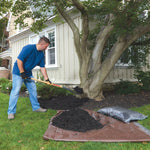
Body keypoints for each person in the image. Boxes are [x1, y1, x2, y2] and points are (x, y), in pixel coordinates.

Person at [8, 36, 51, 120]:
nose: (46, 48)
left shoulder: (41, 54)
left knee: (33, 89)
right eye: (46, 46)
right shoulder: (28, 48)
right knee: (16, 91)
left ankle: (36, 107)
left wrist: (47, 79)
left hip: (28, 73)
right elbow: (19, 60)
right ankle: (11, 112)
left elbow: (42, 67)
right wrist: (22, 72)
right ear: (41, 44)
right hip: (18, 73)